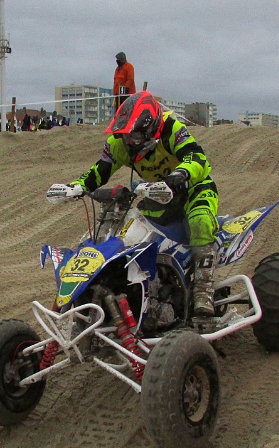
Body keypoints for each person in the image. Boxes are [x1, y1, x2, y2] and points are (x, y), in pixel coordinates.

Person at [48, 91, 221, 317]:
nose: (129, 141)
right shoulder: (120, 142)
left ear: (151, 128)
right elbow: (100, 171)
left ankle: (202, 290)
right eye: (124, 135)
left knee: (200, 222)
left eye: (134, 136)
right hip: (156, 193)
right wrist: (77, 187)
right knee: (130, 231)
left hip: (193, 188)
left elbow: (198, 158)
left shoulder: (172, 129)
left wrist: (179, 175)